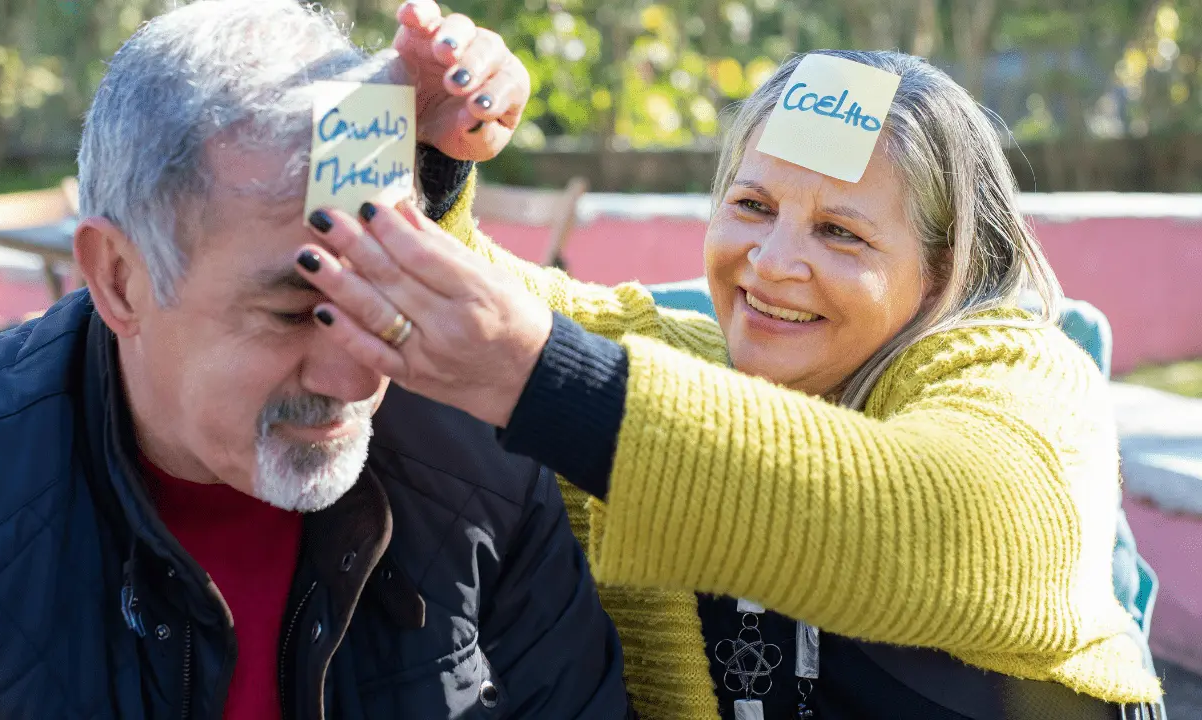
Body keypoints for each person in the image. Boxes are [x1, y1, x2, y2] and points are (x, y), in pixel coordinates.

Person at [293, 47, 1167, 718]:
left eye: (841, 232)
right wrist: (407, 113)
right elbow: (407, 279)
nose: (774, 263)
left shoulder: (1024, 377)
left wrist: (547, 378)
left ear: (943, 273)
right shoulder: (672, 356)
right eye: (752, 207)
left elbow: (946, 518)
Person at [0, 1, 631, 718]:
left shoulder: (487, 458)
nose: (360, 376)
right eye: (293, 312)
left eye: (383, 290)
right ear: (118, 278)